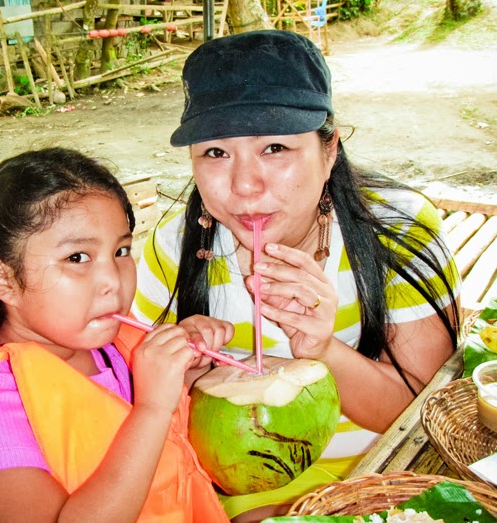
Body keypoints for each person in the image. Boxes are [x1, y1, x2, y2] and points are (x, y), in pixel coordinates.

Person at [132, 30, 461, 520]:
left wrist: (323, 350)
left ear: (329, 152)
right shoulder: (173, 247)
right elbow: (136, 400)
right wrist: (183, 375)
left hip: (379, 482)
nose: (245, 185)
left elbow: (418, 415)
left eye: (275, 148)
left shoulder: (397, 231)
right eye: (216, 153)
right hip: (226, 491)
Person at [0, 147, 233, 523]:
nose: (113, 281)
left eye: (121, 250)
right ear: (3, 278)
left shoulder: (111, 351)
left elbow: (169, 452)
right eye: (77, 257)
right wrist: (152, 407)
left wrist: (187, 378)